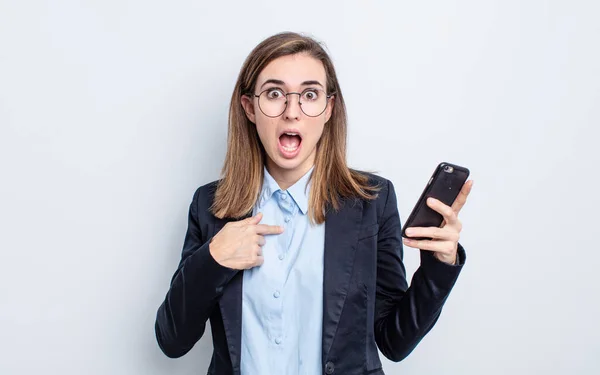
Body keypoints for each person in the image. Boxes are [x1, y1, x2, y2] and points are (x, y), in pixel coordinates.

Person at [154, 31, 473, 375]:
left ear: (328, 109)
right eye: (275, 94)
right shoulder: (210, 205)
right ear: (249, 107)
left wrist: (439, 266)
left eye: (309, 94)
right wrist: (214, 258)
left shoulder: (372, 203)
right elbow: (173, 340)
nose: (292, 112)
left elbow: (394, 341)